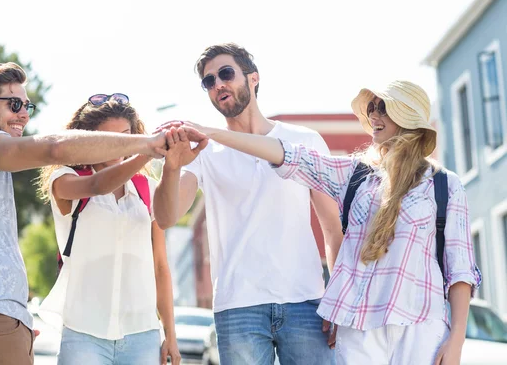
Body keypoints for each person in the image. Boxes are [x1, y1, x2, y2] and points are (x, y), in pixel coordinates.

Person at [173, 80, 482, 365]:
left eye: (382, 107)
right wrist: (212, 134)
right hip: (358, 330)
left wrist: (456, 340)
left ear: (408, 117)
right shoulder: (356, 176)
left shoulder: (444, 185)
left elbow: (460, 272)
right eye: (371, 107)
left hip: (421, 327)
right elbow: (288, 155)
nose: (373, 114)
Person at [0, 63, 201, 365]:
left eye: (26, 105)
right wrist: (148, 146)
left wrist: (16, 320)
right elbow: (59, 152)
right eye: (14, 103)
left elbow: (162, 257)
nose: (24, 113)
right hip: (2, 320)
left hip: (5, 320)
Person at [154, 43, 342, 365]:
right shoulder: (203, 153)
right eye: (209, 81)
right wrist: (172, 167)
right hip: (238, 307)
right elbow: (167, 217)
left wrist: (339, 297)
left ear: (253, 78)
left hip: (307, 301)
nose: (218, 84)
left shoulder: (304, 141)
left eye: (225, 74)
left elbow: (331, 226)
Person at [36, 94, 185, 365]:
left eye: (126, 137)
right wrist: (146, 152)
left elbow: (160, 267)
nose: (120, 148)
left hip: (142, 334)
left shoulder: (146, 190)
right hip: (84, 334)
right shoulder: (66, 182)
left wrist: (170, 336)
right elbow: (97, 186)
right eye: (110, 140)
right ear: (87, 141)